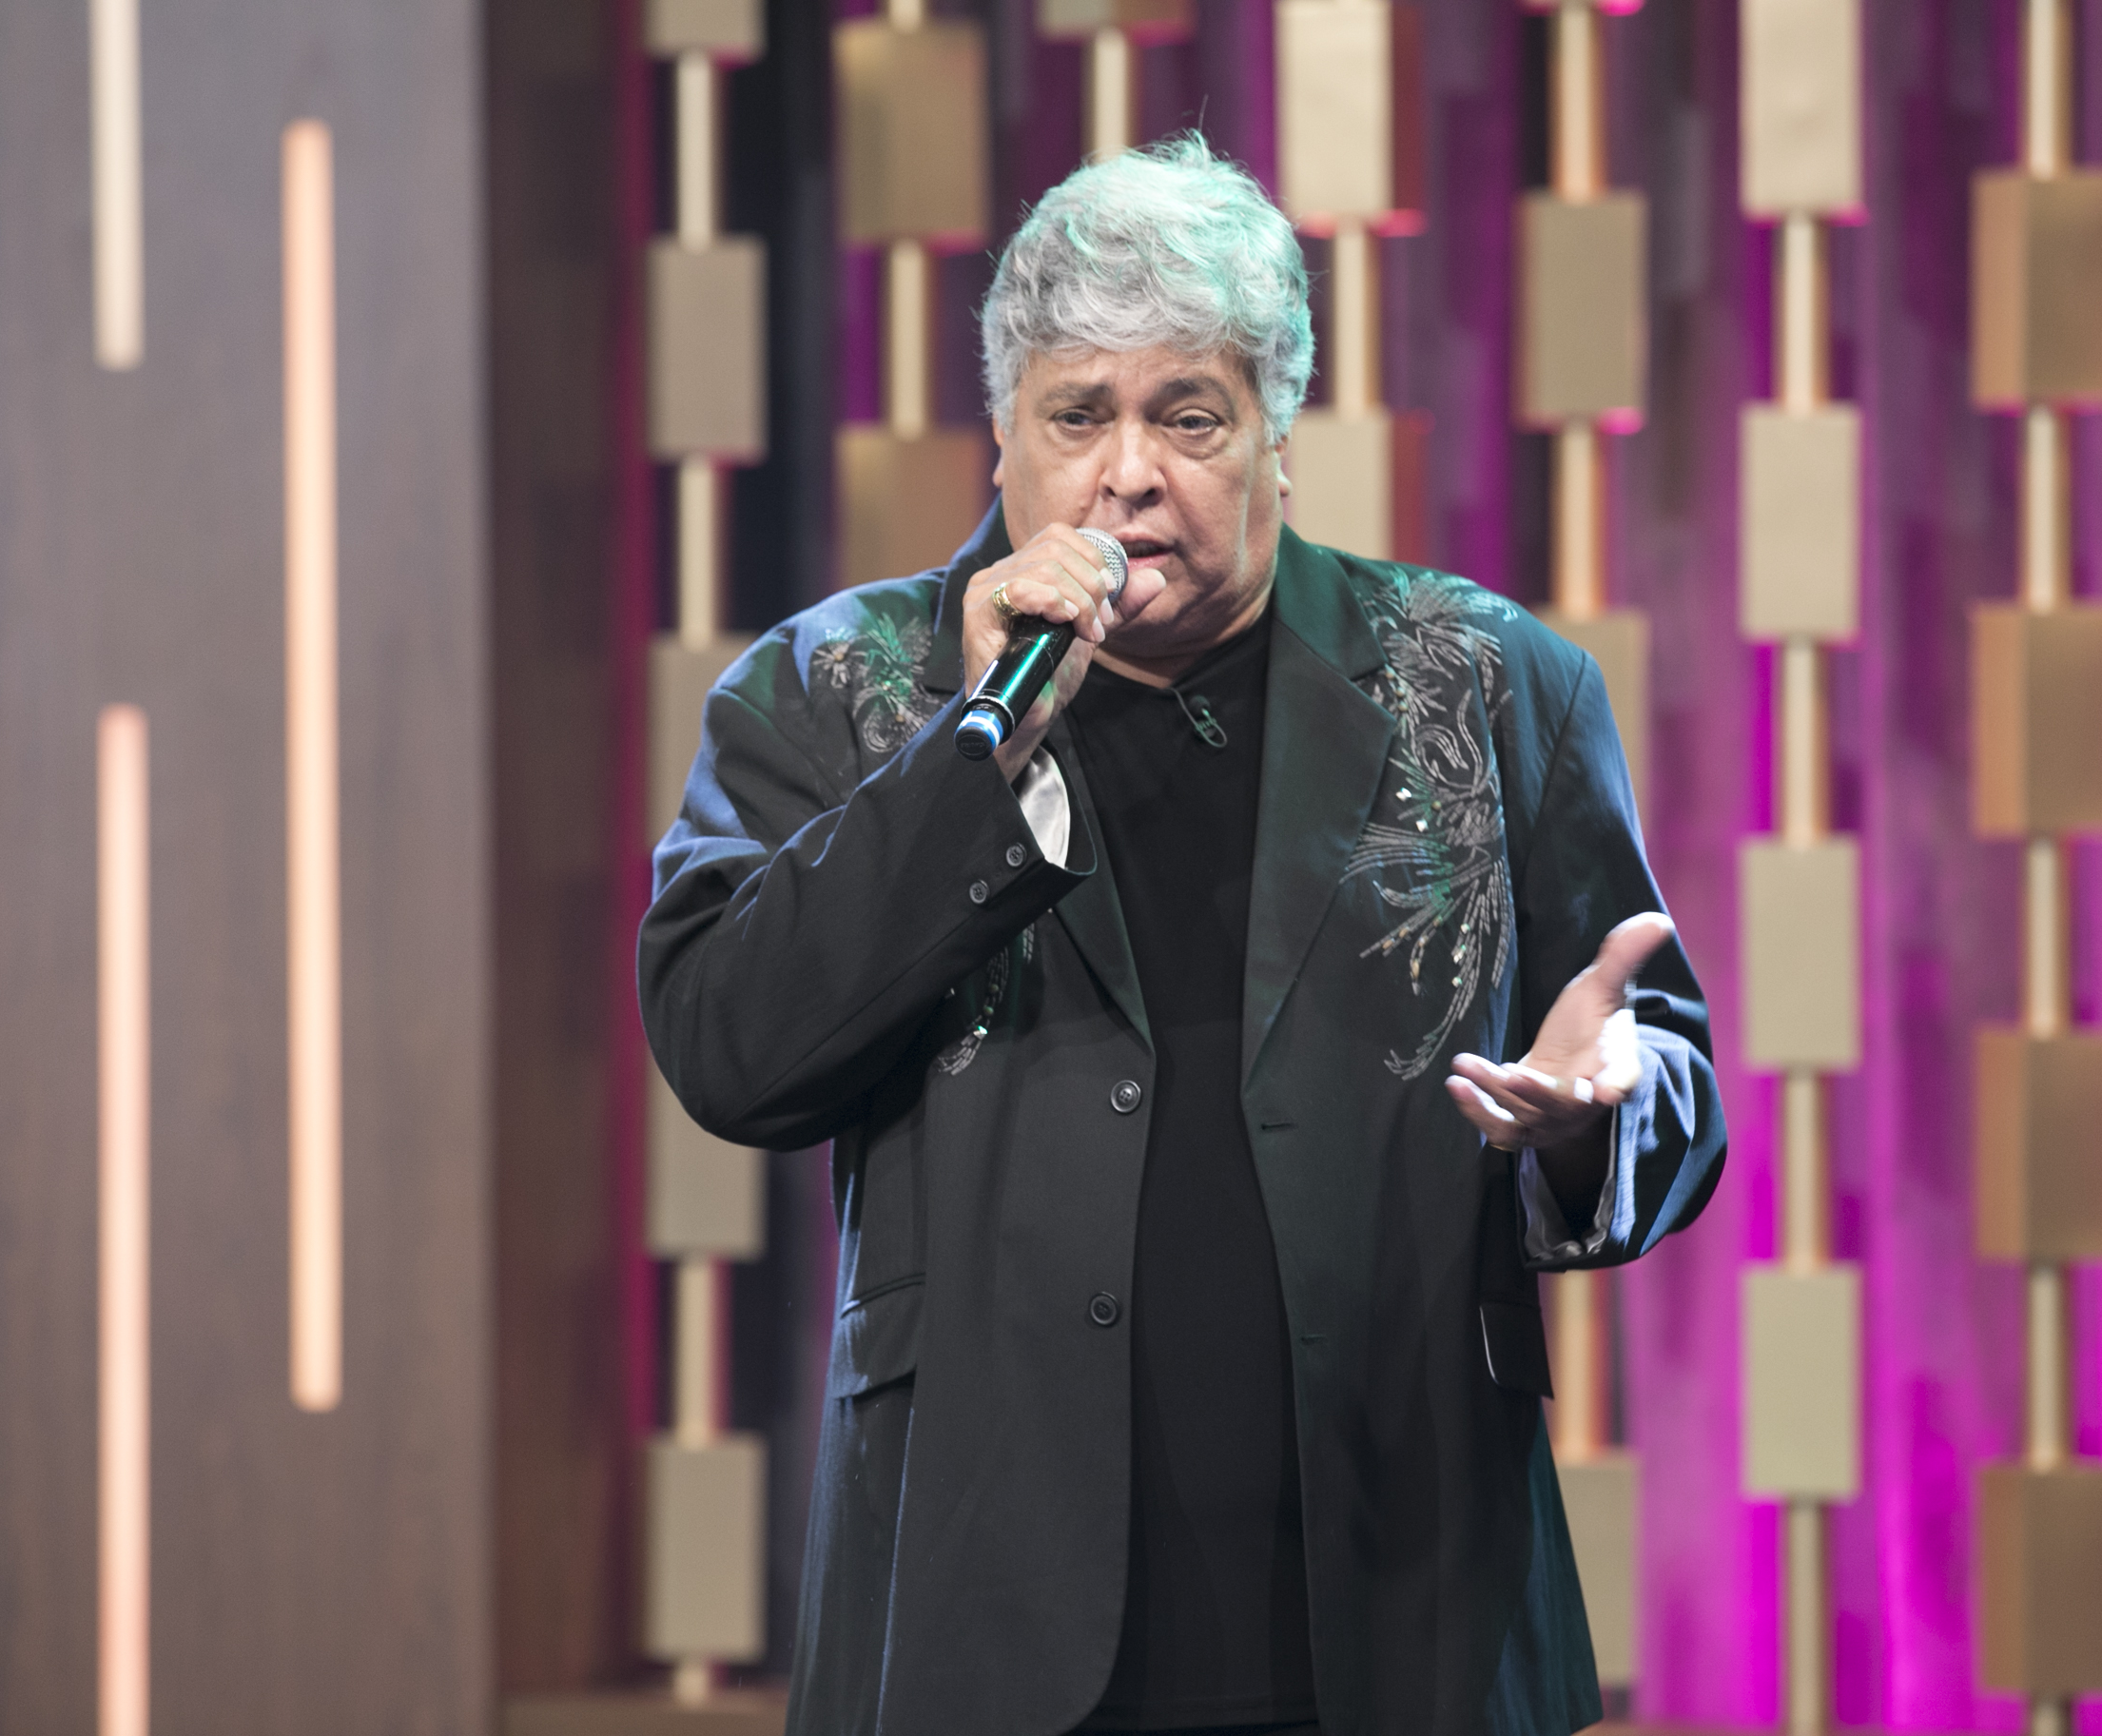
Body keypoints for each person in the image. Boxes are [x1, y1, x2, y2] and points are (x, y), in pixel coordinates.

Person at [640, 134, 1724, 1736]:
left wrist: (1598, 1119)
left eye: (1189, 416)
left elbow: (1666, 1074)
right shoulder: (838, 688)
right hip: (985, 1626)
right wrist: (965, 758)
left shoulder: (1491, 681)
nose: (1128, 473)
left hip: (1403, 1612)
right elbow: (729, 1046)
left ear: (1279, 435)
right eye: (1077, 416)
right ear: (1004, 438)